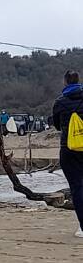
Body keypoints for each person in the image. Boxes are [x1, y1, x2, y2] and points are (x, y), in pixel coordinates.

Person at [52, 70, 83, 238]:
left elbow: (57, 125)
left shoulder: (60, 102)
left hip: (69, 148)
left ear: (65, 82)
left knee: (77, 188)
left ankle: (82, 226)